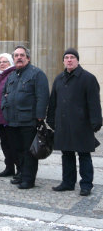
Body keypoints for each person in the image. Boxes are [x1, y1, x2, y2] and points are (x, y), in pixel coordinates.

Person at [47, 48, 102, 196]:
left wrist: (96, 121)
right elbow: (53, 102)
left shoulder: (88, 78)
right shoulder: (59, 78)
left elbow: (94, 103)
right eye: (66, 57)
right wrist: (51, 119)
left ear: (77, 60)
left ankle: (86, 185)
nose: (69, 60)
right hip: (63, 124)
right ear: (63, 61)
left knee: (84, 155)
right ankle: (68, 182)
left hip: (82, 125)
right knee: (67, 154)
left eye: (72, 57)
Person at [2, 45, 49, 189]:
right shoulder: (11, 76)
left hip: (28, 120)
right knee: (17, 151)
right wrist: (5, 109)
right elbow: (4, 95)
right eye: (16, 55)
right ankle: (21, 174)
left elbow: (43, 96)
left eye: (22, 55)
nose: (19, 58)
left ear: (28, 58)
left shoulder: (37, 74)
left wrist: (40, 117)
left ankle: (29, 179)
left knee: (29, 152)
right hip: (12, 121)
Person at [0, 53, 18, 177]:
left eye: (5, 62)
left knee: (13, 144)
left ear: (10, 63)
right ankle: (9, 167)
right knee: (5, 144)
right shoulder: (0, 76)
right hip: (0, 117)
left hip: (8, 116)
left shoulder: (12, 74)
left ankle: (18, 169)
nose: (2, 64)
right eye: (0, 62)